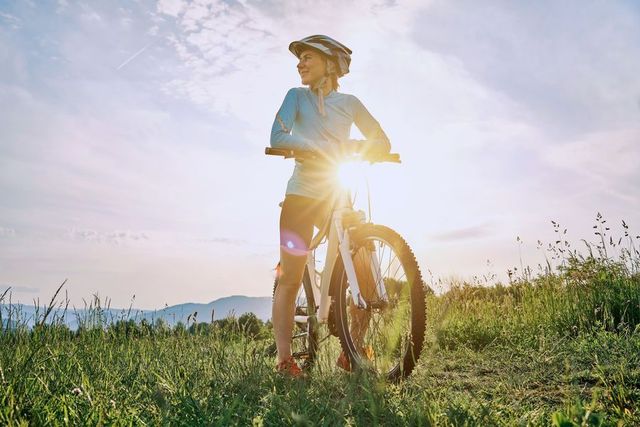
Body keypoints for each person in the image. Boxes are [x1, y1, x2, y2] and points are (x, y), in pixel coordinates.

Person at [270, 35, 391, 376]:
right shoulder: (296, 97)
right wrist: (316, 145)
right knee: (290, 276)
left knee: (364, 266)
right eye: (300, 59)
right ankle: (284, 360)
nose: (300, 64)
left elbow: (381, 140)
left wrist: (360, 147)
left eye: (308, 57)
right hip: (301, 196)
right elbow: (277, 137)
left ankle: (351, 348)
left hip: (337, 193)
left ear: (330, 64)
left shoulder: (350, 103)